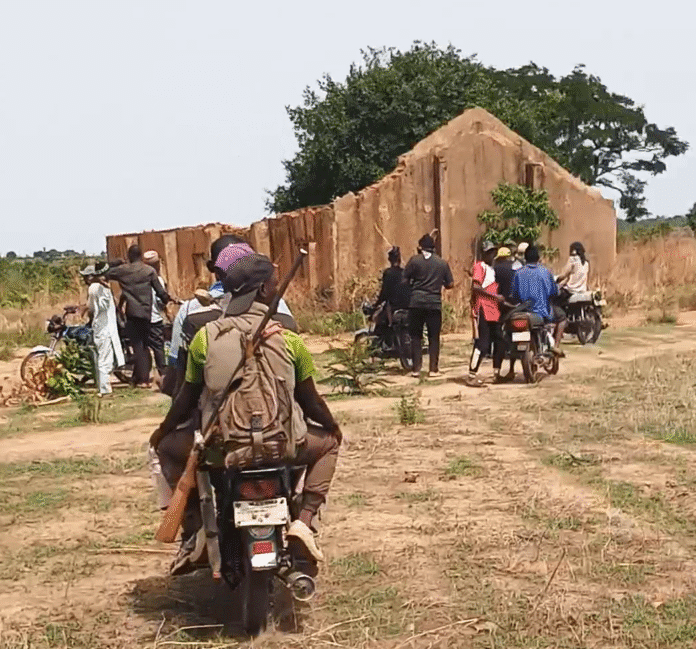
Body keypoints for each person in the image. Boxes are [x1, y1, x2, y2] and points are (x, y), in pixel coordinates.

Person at [151, 253, 340, 573]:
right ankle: (304, 522)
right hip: (285, 447)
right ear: (264, 291)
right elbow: (311, 401)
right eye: (274, 286)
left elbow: (185, 400)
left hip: (221, 450)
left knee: (167, 448)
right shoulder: (291, 340)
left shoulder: (204, 339)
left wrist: (161, 432)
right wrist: (332, 427)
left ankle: (194, 528)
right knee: (330, 444)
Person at [165, 236, 297, 398]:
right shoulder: (279, 307)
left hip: (212, 409)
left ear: (214, 269)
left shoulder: (189, 312)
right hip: (276, 404)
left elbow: (178, 370)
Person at [106, 245, 172, 388]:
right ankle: (160, 376)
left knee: (139, 347)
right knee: (153, 346)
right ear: (141, 256)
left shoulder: (123, 271)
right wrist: (167, 299)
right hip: (147, 314)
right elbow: (161, 292)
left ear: (129, 256)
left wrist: (117, 262)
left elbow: (106, 272)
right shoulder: (149, 271)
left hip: (132, 313)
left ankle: (143, 380)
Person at [404, 234, 454, 378]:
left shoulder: (414, 261)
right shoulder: (442, 263)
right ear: (433, 248)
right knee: (434, 337)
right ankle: (433, 369)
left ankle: (416, 369)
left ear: (420, 247)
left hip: (416, 302)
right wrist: (439, 283)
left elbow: (405, 279)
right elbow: (450, 284)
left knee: (415, 336)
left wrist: (414, 285)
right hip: (434, 304)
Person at [512, 244, 567, 355]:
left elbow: (514, 294)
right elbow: (554, 292)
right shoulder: (545, 272)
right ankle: (555, 346)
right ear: (538, 258)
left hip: (522, 311)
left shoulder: (518, 273)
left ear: (525, 258)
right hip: (542, 312)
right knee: (562, 318)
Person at [80, 264, 125, 396]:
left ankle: (105, 387)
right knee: (104, 359)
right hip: (104, 327)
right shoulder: (96, 288)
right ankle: (104, 390)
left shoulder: (98, 288)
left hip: (106, 327)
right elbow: (99, 307)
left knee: (107, 359)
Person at [465, 242, 505, 387]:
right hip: (483, 308)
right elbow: (476, 287)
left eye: (493, 252)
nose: (492, 255)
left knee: (499, 341)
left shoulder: (492, 268)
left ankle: (497, 372)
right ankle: (472, 374)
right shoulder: (479, 266)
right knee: (482, 343)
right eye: (489, 252)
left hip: (494, 310)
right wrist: (494, 297)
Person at [493, 246, 518, 381]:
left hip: (500, 307)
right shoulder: (515, 269)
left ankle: (496, 371)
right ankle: (512, 369)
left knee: (500, 339)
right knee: (515, 336)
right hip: (515, 306)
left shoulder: (494, 270)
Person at [143, 250, 167, 380]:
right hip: (155, 317)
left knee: (143, 348)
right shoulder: (158, 280)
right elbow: (161, 300)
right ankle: (162, 374)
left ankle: (144, 376)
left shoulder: (139, 278)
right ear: (157, 265)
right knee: (158, 348)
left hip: (141, 318)